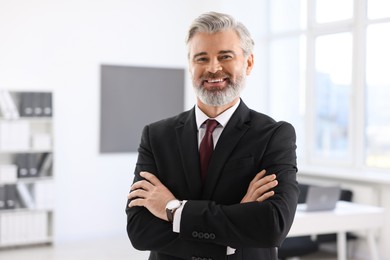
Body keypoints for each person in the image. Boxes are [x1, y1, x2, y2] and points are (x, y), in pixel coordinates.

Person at [126, 11, 299, 260]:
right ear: (190, 66)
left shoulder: (274, 135)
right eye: (201, 58)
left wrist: (174, 210)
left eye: (225, 56)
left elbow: (273, 226)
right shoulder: (156, 136)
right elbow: (140, 231)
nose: (213, 68)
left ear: (248, 63)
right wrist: (236, 223)